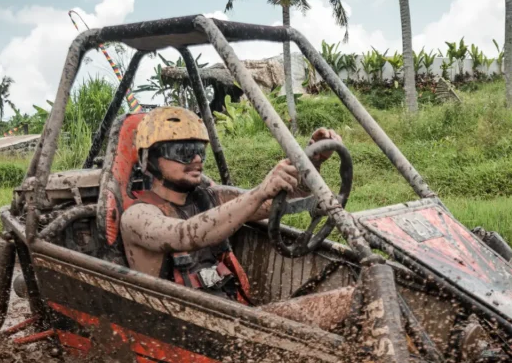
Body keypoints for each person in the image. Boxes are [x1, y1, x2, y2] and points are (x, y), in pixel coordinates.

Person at [120, 107, 352, 326]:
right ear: (150, 158)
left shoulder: (210, 198)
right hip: (189, 331)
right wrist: (259, 191)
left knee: (355, 298)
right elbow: (185, 234)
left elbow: (284, 199)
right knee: (351, 299)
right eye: (183, 152)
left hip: (236, 320)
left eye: (200, 151)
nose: (197, 160)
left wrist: (313, 160)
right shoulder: (138, 216)